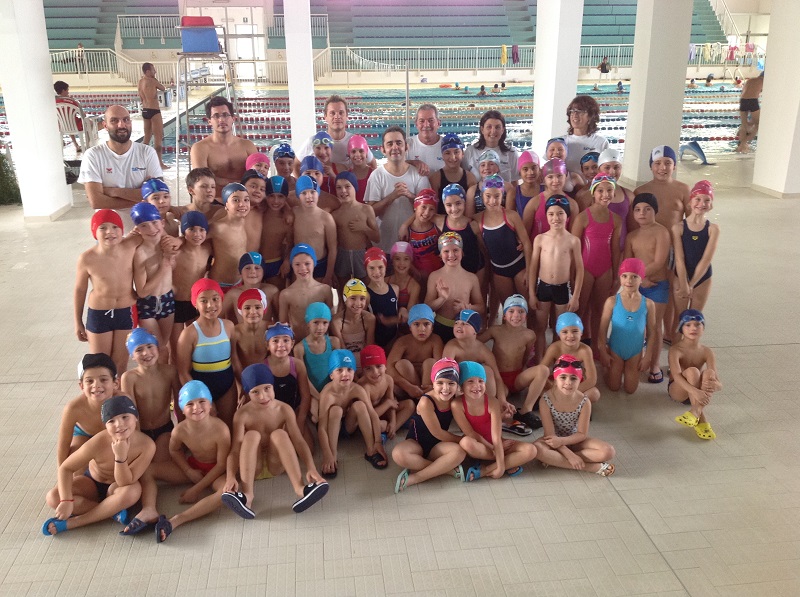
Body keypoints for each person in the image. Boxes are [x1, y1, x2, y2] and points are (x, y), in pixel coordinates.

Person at [121, 380, 230, 541]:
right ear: (182, 409)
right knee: (148, 470)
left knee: (227, 493)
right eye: (190, 404)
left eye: (202, 401)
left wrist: (196, 489)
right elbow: (175, 450)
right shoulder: (179, 430)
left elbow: (221, 465)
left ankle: (177, 520)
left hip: (216, 472)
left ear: (210, 404)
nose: (196, 408)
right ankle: (149, 509)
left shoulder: (221, 429)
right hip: (194, 465)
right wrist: (188, 470)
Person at [222, 364, 329, 518]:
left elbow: (299, 441)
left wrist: (311, 468)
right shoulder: (242, 415)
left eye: (267, 388)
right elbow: (235, 450)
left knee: (280, 434)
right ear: (247, 393)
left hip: (276, 464)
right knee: (251, 435)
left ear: (273, 386)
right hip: (253, 468)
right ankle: (247, 496)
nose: (263, 396)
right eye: (255, 392)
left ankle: (300, 489)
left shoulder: (284, 409)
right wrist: (230, 477)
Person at [42, 396, 156, 536]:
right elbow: (66, 468)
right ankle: (112, 512)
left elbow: (124, 482)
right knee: (53, 497)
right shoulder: (99, 441)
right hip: (92, 483)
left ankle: (73, 523)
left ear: (136, 418)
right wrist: (66, 500)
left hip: (119, 488)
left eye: (125, 417)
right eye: (111, 421)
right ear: (105, 425)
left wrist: (120, 457)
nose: (119, 424)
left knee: (132, 492)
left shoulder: (147, 445)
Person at [634, 145, 690, 342]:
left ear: (674, 166)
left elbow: (691, 222)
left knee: (672, 291)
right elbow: (635, 228)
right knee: (654, 288)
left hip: (674, 250)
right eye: (657, 163)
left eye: (667, 163)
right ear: (651, 166)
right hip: (650, 249)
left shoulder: (683, 189)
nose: (662, 167)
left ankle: (671, 331)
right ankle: (650, 329)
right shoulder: (641, 191)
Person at [74, 209, 139, 375]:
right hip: (99, 314)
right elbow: (80, 290)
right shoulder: (87, 258)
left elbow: (153, 230)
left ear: (122, 230)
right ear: (94, 232)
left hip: (126, 312)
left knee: (120, 363)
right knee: (100, 363)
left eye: (115, 227)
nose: (110, 232)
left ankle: (118, 392)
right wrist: (77, 321)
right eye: (103, 228)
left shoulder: (131, 245)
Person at [392, 358, 467, 492]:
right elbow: (438, 433)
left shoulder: (456, 400)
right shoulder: (426, 401)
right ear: (433, 383)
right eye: (440, 383)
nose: (446, 388)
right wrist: (461, 440)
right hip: (416, 443)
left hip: (438, 446)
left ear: (457, 386)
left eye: (451, 383)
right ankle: (444, 469)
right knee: (398, 454)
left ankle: (416, 477)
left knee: (459, 453)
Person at [452, 361, 537, 481]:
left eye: (481, 381)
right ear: (461, 386)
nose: (477, 386)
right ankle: (507, 461)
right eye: (470, 381)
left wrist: (500, 467)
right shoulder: (457, 404)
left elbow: (496, 437)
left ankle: (485, 470)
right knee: (466, 442)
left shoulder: (492, 402)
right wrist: (493, 448)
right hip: (478, 445)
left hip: (497, 443)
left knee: (531, 450)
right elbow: (471, 433)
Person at [533, 356, 615, 476]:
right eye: (563, 377)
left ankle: (555, 460)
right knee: (537, 449)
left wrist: (565, 445)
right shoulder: (546, 400)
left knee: (608, 451)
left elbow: (582, 434)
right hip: (553, 442)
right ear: (555, 378)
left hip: (575, 440)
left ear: (580, 379)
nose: (568, 382)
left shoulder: (584, 401)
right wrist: (568, 454)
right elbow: (549, 436)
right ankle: (592, 467)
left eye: (573, 378)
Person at [527, 195, 583, 364]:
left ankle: (559, 361)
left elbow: (580, 270)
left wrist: (576, 297)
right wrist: (532, 293)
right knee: (540, 327)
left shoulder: (573, 241)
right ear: (546, 216)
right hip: (543, 287)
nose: (555, 218)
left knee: (561, 329)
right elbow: (533, 268)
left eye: (560, 214)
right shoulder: (540, 239)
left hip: (562, 288)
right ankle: (540, 361)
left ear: (567, 216)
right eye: (551, 214)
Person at [176, 278, 237, 427]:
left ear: (222, 299)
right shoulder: (189, 334)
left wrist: (246, 387)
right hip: (200, 389)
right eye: (204, 301)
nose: (210, 305)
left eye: (215, 299)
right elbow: (183, 372)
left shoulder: (229, 326)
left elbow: (235, 359)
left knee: (228, 426)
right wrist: (201, 398)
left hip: (227, 386)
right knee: (204, 428)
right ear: (195, 304)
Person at [78, 105, 163, 210]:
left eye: (126, 120)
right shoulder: (93, 155)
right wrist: (144, 197)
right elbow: (96, 202)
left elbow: (159, 194)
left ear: (130, 123)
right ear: (105, 126)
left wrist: (114, 191)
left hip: (143, 220)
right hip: (109, 220)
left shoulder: (147, 152)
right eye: (114, 121)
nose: (121, 125)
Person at [318, 350, 388, 477]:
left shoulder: (357, 389)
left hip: (347, 427)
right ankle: (333, 456)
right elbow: (322, 427)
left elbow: (373, 415)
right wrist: (326, 453)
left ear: (354, 372)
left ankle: (371, 450)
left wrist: (378, 442)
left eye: (349, 369)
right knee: (336, 410)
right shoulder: (327, 394)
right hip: (331, 430)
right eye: (339, 370)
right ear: (331, 375)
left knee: (360, 405)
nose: (345, 374)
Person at [624, 193, 671, 383]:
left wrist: (639, 277)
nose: (642, 213)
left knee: (655, 327)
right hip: (636, 287)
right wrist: (639, 281)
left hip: (657, 286)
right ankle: (636, 358)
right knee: (635, 324)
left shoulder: (662, 232)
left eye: (647, 209)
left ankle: (654, 364)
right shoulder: (632, 236)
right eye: (637, 209)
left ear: (655, 211)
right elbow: (627, 263)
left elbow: (659, 261)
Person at [572, 175, 622, 347]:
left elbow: (615, 249)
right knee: (580, 309)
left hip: (605, 270)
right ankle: (575, 345)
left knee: (600, 311)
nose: (605, 194)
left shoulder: (616, 219)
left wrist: (616, 275)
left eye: (609, 190)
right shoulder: (583, 217)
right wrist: (573, 274)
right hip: (585, 269)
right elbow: (574, 248)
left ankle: (597, 346)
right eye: (600, 190)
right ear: (593, 193)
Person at [364, 126, 431, 252]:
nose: (395, 147)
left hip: (413, 245)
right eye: (390, 144)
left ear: (406, 147)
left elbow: (429, 210)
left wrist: (410, 195)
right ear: (383, 150)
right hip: (384, 246)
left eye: (399, 143)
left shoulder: (418, 175)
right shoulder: (377, 175)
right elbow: (370, 213)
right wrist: (392, 197)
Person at [597, 258, 657, 394]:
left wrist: (648, 356)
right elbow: (602, 329)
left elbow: (652, 332)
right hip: (615, 350)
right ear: (620, 277)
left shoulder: (648, 304)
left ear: (642, 278)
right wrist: (603, 351)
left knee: (630, 389)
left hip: (635, 352)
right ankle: (608, 370)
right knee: (614, 386)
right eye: (624, 276)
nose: (629, 281)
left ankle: (623, 369)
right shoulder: (612, 301)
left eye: (634, 276)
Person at [51, 354, 119, 474]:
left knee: (113, 466)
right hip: (84, 434)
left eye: (103, 379)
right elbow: (63, 445)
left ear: (115, 384)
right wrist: (62, 473)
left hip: (113, 435)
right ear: (81, 386)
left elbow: (135, 435)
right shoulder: (73, 408)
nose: (96, 385)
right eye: (89, 381)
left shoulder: (123, 401)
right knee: (75, 470)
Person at [120, 328, 179, 462]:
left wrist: (181, 432)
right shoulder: (129, 378)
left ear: (157, 347)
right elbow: (131, 412)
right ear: (132, 356)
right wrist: (137, 439)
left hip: (165, 429)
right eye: (139, 350)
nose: (146, 353)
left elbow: (179, 404)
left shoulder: (170, 372)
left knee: (159, 462)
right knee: (145, 462)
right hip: (141, 430)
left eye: (149, 346)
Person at [131, 202, 179, 362]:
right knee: (157, 348)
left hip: (167, 300)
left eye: (154, 222)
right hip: (148, 304)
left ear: (162, 223)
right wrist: (165, 263)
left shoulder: (167, 245)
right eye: (144, 225)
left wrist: (170, 259)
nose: (151, 229)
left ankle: (163, 376)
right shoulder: (140, 253)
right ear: (138, 229)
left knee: (164, 348)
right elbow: (142, 291)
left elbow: (173, 268)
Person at [478, 174, 531, 308]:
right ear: (482, 196)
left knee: (528, 308)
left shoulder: (511, 216)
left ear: (502, 196)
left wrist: (530, 271)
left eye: (497, 196)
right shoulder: (478, 220)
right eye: (488, 196)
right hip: (499, 271)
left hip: (520, 267)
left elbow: (526, 243)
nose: (492, 201)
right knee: (508, 309)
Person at [669, 310, 722, 440]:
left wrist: (716, 385)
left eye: (697, 325)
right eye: (688, 325)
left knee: (709, 373)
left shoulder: (707, 351)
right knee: (693, 371)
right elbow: (676, 376)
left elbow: (718, 382)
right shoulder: (675, 350)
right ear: (681, 329)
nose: (693, 328)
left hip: (698, 393)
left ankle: (695, 411)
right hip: (679, 390)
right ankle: (701, 418)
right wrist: (695, 392)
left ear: (703, 328)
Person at [190, 96, 257, 197]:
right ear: (209, 121)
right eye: (216, 116)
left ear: (233, 118)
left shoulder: (247, 146)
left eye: (225, 115)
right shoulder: (200, 148)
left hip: (244, 201)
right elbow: (202, 181)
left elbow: (258, 177)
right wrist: (239, 183)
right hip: (215, 201)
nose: (221, 120)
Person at [424, 232, 485, 344]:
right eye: (446, 251)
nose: (451, 255)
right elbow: (427, 307)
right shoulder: (434, 276)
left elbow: (481, 307)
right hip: (440, 327)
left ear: (462, 252)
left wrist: (468, 307)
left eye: (455, 250)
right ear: (440, 254)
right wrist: (442, 298)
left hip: (464, 328)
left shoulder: (471, 278)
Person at [295, 95, 377, 174]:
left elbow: (372, 164)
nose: (337, 116)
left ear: (347, 115)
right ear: (325, 116)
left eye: (341, 113)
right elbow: (296, 164)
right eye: (332, 113)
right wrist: (302, 182)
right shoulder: (313, 141)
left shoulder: (355, 141)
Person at [672, 180, 719, 316]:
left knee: (695, 317)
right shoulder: (678, 228)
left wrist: (691, 285)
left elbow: (706, 259)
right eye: (697, 199)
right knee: (681, 318)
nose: (702, 204)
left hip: (703, 277)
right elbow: (679, 258)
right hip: (681, 275)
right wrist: (684, 284)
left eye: (707, 200)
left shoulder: (713, 229)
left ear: (711, 205)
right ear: (690, 201)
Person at [263, 323, 314, 449]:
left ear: (292, 344)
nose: (281, 345)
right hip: (272, 413)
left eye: (286, 340)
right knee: (280, 446)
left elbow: (305, 396)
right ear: (267, 345)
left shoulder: (297, 365)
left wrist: (300, 420)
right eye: (275, 341)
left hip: (294, 410)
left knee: (308, 448)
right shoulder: (263, 367)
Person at [170, 211, 211, 356]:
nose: (197, 234)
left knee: (196, 345)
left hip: (195, 303)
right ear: (184, 231)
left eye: (201, 229)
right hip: (176, 303)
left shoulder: (207, 249)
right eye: (191, 229)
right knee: (176, 348)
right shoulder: (176, 252)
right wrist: (180, 240)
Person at [331, 171, 379, 285]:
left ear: (355, 187)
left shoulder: (366, 209)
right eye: (339, 187)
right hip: (342, 255)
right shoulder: (335, 214)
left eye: (347, 186)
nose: (343, 191)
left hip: (361, 254)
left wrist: (365, 228)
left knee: (365, 287)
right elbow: (333, 243)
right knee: (343, 288)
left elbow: (377, 238)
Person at [386, 303, 443, 400]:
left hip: (428, 386)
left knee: (431, 362)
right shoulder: (402, 341)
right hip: (407, 387)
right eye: (416, 324)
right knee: (402, 364)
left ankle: (425, 399)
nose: (422, 329)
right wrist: (408, 387)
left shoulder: (435, 340)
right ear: (410, 327)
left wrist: (434, 386)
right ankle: (417, 399)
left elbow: (441, 366)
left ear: (432, 327)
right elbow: (389, 368)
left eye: (426, 324)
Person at [278, 244, 334, 340]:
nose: (302, 268)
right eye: (297, 264)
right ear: (292, 265)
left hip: (321, 343)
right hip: (298, 342)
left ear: (314, 263)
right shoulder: (286, 294)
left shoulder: (325, 290)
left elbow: (330, 320)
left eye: (307, 264)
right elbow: (283, 326)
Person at [358, 345, 414, 440]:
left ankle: (391, 430)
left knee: (410, 404)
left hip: (383, 412)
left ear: (385, 366)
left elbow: (393, 404)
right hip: (369, 417)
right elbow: (369, 416)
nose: (375, 372)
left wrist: (393, 421)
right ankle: (389, 430)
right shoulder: (364, 387)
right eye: (368, 368)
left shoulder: (388, 379)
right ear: (363, 371)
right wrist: (388, 403)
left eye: (378, 366)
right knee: (381, 425)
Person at [293, 302, 341, 406]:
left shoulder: (334, 342)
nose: (320, 328)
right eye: (316, 322)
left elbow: (340, 370)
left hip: (332, 390)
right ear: (308, 323)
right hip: (312, 393)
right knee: (316, 412)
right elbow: (303, 378)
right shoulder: (300, 348)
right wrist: (319, 397)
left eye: (325, 323)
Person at [292, 175, 337, 284]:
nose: (309, 196)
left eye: (312, 192)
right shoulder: (293, 214)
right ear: (298, 195)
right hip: (298, 265)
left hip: (320, 265)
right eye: (304, 193)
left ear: (318, 193)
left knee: (319, 294)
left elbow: (333, 249)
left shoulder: (326, 218)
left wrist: (328, 275)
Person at [208, 183, 250, 291]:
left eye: (246, 200)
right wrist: (179, 240)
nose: (242, 204)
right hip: (219, 283)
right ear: (226, 205)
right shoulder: (218, 227)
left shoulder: (247, 223)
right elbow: (194, 235)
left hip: (239, 282)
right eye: (236, 200)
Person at [221, 252, 278, 323]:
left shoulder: (272, 291)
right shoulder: (233, 294)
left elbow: (279, 318)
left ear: (263, 272)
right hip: (243, 330)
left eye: (257, 268)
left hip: (265, 330)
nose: (252, 271)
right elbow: (218, 316)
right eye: (247, 268)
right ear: (240, 272)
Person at [331, 279, 376, 369]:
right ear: (345, 299)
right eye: (353, 298)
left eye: (362, 298)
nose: (358, 303)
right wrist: (352, 372)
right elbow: (342, 351)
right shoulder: (336, 322)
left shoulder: (369, 319)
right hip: (345, 365)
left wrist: (365, 370)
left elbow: (369, 348)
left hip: (365, 363)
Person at [463, 110, 519, 183]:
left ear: (502, 130)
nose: (493, 131)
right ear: (482, 129)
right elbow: (464, 179)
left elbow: (514, 183)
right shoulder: (471, 151)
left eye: (497, 127)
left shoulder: (511, 153)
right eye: (489, 127)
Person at [428, 133, 477, 214]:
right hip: (442, 221)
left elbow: (470, 211)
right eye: (447, 153)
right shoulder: (436, 178)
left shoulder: (470, 178)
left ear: (462, 154)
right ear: (442, 155)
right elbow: (433, 210)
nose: (453, 157)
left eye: (456, 152)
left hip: (464, 220)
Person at [364, 247, 403, 347]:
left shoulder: (395, 289)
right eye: (372, 268)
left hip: (394, 339)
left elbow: (397, 311)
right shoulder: (365, 294)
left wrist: (402, 310)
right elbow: (363, 322)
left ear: (386, 267)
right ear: (366, 269)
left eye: (380, 267)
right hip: (376, 341)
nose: (376, 272)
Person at [260, 175, 294, 287]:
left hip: (276, 264)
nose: (276, 201)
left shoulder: (287, 220)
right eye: (271, 196)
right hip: (255, 264)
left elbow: (291, 243)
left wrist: (287, 261)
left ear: (286, 197)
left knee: (276, 296)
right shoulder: (258, 213)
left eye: (280, 196)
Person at [563, 96, 609, 175]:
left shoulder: (601, 142)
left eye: (580, 111)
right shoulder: (561, 142)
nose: (575, 115)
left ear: (591, 116)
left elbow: (606, 170)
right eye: (572, 111)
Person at [137, 62, 168, 169]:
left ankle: (139, 161)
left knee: (146, 138)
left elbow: (141, 98)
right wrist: (155, 80)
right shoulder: (153, 81)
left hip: (145, 111)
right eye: (153, 70)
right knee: (158, 138)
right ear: (148, 71)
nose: (155, 72)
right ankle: (159, 164)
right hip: (154, 111)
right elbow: (163, 88)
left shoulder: (140, 82)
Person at [406, 103, 443, 175]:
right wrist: (412, 162)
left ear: (438, 123)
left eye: (431, 120)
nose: (426, 125)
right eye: (422, 121)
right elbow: (393, 167)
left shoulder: (447, 146)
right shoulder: (406, 144)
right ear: (416, 124)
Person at [386, 241, 421, 312]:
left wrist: (388, 319)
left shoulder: (414, 286)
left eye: (406, 259)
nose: (402, 263)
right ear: (392, 261)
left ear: (410, 262)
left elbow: (409, 314)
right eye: (397, 259)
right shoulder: (385, 281)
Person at [736, 72, 764, 153]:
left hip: (743, 100)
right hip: (752, 101)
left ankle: (740, 146)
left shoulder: (750, 80)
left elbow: (744, 91)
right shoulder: (763, 82)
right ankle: (744, 144)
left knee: (744, 125)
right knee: (758, 124)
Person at [54, 80, 84, 152]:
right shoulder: (71, 101)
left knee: (68, 123)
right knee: (89, 123)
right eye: (67, 90)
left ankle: (76, 145)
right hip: (76, 126)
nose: (68, 92)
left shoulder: (54, 101)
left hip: (62, 126)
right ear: (63, 90)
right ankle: (88, 143)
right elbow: (83, 115)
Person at [512, 150, 542, 216]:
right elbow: (510, 219)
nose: (530, 172)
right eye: (525, 169)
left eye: (534, 168)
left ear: (539, 169)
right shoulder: (513, 193)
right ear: (520, 172)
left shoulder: (546, 190)